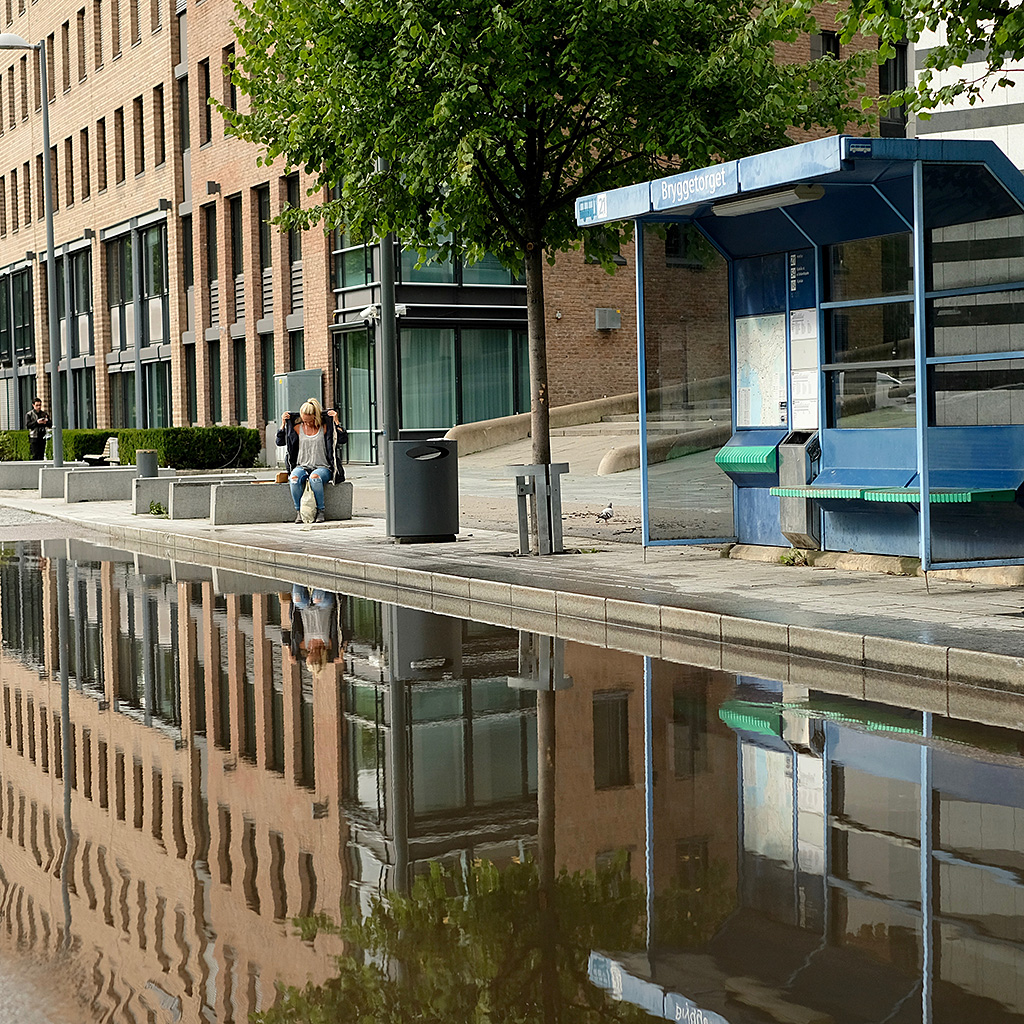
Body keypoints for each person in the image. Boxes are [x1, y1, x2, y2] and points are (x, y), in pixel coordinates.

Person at [276, 397, 347, 523]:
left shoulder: (325, 428)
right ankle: (300, 512)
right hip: (302, 466)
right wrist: (283, 424)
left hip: (322, 467)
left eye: (309, 421)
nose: (307, 423)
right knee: (294, 479)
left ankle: (321, 511)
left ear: (316, 416)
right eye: (304, 421)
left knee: (315, 478)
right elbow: (280, 442)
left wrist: (336, 421)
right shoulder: (297, 428)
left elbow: (342, 439)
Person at [25, 397, 50, 461]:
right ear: (33, 405)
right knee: (35, 454)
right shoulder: (29, 414)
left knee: (41, 454)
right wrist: (37, 422)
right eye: (37, 405)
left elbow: (50, 424)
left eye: (40, 405)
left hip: (42, 436)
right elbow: (28, 425)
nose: (39, 407)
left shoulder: (44, 414)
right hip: (34, 436)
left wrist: (45, 422)